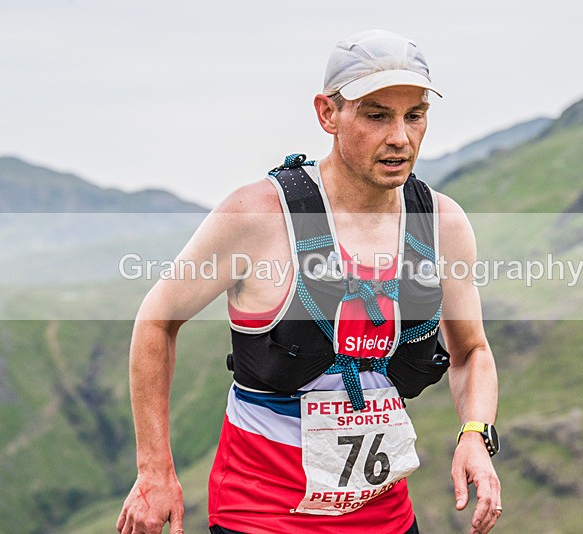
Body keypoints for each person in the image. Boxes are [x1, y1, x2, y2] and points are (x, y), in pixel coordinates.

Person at [116, 29, 501, 534]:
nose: (400, 138)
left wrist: (475, 433)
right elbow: (157, 320)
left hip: (385, 518)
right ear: (327, 114)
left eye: (415, 115)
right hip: (259, 516)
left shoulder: (441, 225)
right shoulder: (258, 216)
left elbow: (471, 352)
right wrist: (155, 470)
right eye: (376, 114)